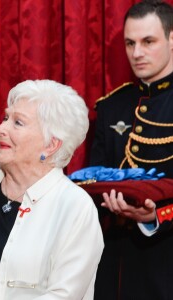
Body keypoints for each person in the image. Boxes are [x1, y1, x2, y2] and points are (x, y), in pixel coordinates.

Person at [0, 79, 104, 300]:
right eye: (6, 118)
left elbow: (63, 296)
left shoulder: (76, 208)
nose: (1, 128)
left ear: (51, 145)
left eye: (18, 123)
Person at [90, 1, 173, 299]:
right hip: (115, 267)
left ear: (172, 38)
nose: (137, 53)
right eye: (130, 43)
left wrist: (155, 217)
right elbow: (93, 177)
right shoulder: (112, 107)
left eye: (148, 41)